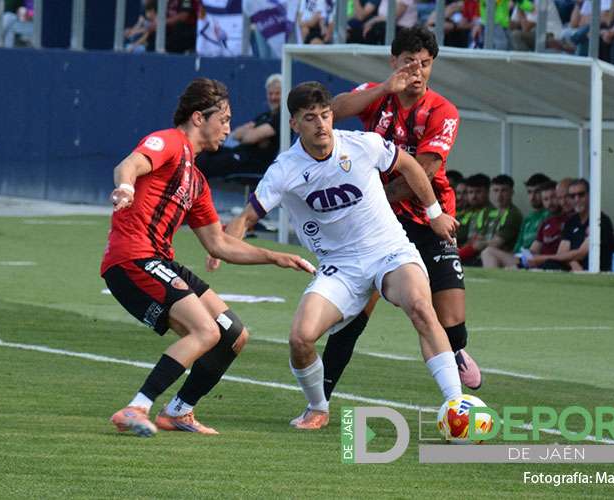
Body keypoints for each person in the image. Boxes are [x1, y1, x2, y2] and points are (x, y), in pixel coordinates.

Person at [211, 81, 464, 430]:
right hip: (339, 267)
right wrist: (222, 249)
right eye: (310, 118)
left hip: (389, 251)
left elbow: (410, 165)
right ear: (294, 123)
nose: (321, 124)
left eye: (326, 115)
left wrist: (434, 214)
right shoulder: (285, 169)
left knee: (421, 306)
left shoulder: (363, 145)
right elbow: (246, 218)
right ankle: (317, 408)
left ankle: (456, 403)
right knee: (300, 339)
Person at [102, 78, 313, 437]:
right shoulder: (170, 142)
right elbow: (130, 164)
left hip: (159, 261)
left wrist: (275, 257)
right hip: (133, 259)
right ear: (199, 117)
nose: (229, 128)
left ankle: (179, 411)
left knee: (234, 333)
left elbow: (219, 244)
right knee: (205, 330)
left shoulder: (196, 180)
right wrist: (125, 187)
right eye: (225, 119)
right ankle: (137, 407)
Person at [328, 26, 482, 396]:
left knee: (450, 319)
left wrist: (377, 197)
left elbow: (424, 169)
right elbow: (330, 113)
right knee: (356, 312)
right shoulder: (378, 95)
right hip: (379, 224)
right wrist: (384, 88)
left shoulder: (443, 110)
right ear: (393, 61)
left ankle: (456, 349)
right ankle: (320, 399)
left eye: (425, 64)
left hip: (431, 216)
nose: (417, 71)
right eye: (410, 62)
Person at [196, 74, 282, 179]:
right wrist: (253, 134)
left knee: (204, 162)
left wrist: (250, 132)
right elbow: (236, 135)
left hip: (252, 162)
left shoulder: (281, 118)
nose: (273, 97)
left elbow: (249, 138)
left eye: (277, 93)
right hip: (239, 153)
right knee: (203, 150)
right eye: (270, 93)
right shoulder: (265, 116)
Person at [528, 178, 614, 271]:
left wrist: (542, 258)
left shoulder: (599, 220)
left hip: (595, 271)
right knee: (550, 264)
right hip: (573, 270)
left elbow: (581, 253)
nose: (577, 199)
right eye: (572, 196)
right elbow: (561, 253)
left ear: (590, 195)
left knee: (549, 264)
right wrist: (573, 263)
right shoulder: (571, 221)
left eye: (581, 195)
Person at [481, 173, 549, 268]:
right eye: (529, 192)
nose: (532, 197)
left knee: (488, 252)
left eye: (536, 192)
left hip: (538, 259)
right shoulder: (528, 218)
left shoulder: (548, 216)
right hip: (521, 258)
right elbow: (518, 247)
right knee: (488, 253)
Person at [474, 175, 523, 266]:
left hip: (502, 258)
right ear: (490, 192)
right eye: (496, 190)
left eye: (503, 190)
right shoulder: (486, 212)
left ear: (511, 192)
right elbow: (476, 241)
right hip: (479, 256)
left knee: (487, 252)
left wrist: (481, 243)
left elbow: (495, 244)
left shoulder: (513, 214)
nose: (499, 195)